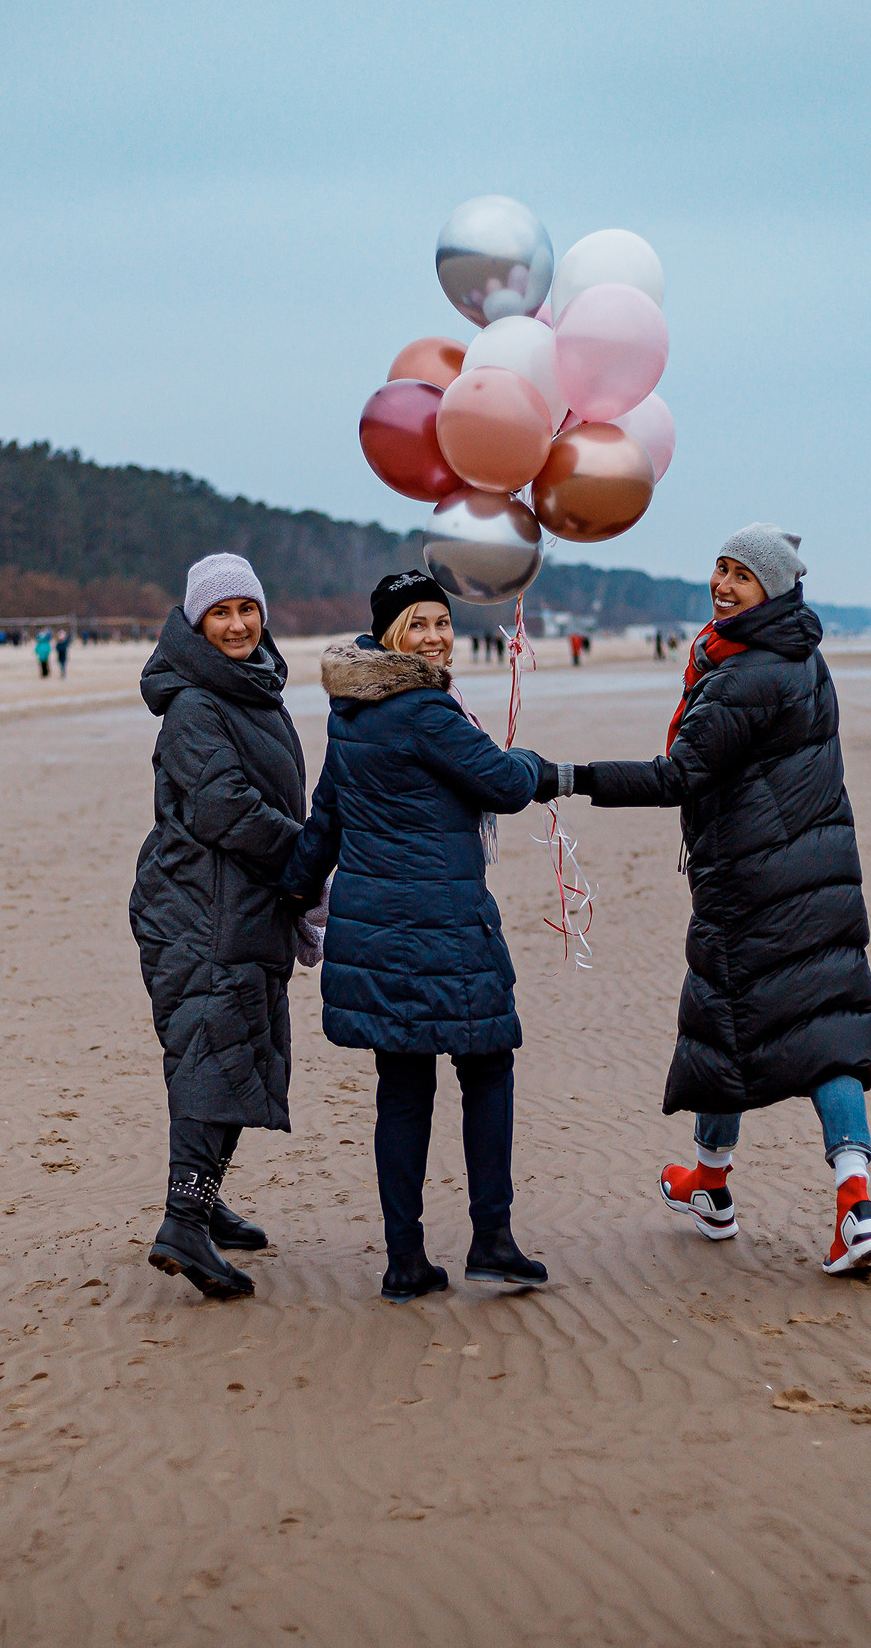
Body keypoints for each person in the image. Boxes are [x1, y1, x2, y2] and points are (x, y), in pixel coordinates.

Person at [531, 524, 871, 1279]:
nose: (724, 584)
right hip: (822, 867)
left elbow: (676, 778)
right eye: (720, 569)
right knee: (825, 1028)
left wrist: (567, 775)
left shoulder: (744, 674)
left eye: (742, 576)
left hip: (754, 881)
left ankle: (719, 1184)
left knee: (723, 1022)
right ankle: (843, 1201)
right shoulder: (804, 658)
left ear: (776, 591)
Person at [281, 571, 550, 1302]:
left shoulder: (354, 711)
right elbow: (505, 784)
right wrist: (527, 762)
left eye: (442, 621)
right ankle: (491, 1239)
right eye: (419, 623)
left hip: (373, 932)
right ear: (391, 633)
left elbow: (325, 820)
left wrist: (293, 892)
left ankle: (406, 1262)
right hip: (442, 925)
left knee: (402, 1087)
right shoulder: (427, 709)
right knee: (487, 1066)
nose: (434, 635)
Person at [130, 555, 307, 1301]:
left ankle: (203, 1201)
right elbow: (223, 809)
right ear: (197, 623)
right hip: (201, 912)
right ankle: (183, 1223)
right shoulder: (196, 705)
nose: (237, 625)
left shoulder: (251, 687)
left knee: (234, 1055)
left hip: (240, 905)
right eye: (221, 613)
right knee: (212, 1059)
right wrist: (310, 854)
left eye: (247, 609)